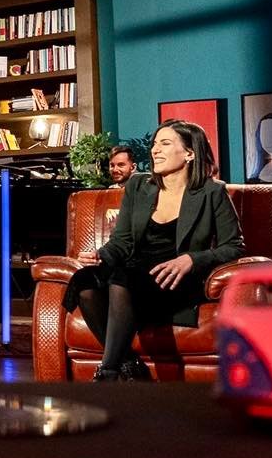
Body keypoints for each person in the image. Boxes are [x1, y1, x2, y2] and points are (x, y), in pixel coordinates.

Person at [65, 118, 245, 381]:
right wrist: (100, 255)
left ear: (189, 153)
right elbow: (122, 241)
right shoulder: (138, 186)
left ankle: (108, 374)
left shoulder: (212, 192)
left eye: (165, 143)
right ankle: (129, 364)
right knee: (84, 281)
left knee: (122, 279)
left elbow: (234, 246)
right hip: (133, 269)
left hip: (173, 279)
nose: (155, 150)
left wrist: (191, 260)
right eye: (154, 144)